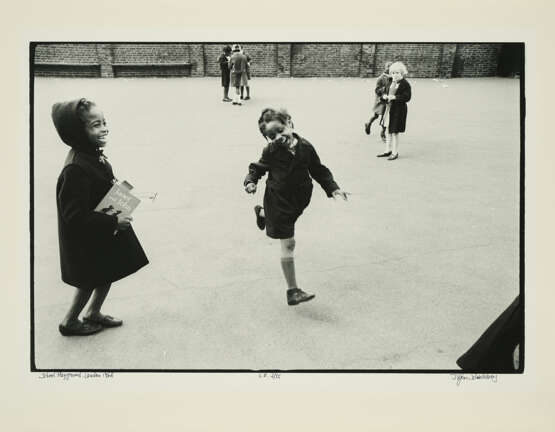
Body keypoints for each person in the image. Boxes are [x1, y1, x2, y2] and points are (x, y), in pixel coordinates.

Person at [52, 98, 149, 336]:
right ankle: (70, 321)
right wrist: (114, 221)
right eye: (96, 125)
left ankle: (93, 312)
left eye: (104, 122)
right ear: (77, 132)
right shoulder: (75, 168)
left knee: (107, 270)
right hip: (88, 237)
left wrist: (118, 194)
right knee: (90, 280)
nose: (104, 128)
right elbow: (73, 216)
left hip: (101, 231)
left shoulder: (91, 154)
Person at [244, 108, 348, 306]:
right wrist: (251, 181)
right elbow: (257, 168)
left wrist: (333, 188)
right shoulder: (271, 151)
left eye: (280, 130)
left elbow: (318, 170)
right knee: (289, 244)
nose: (278, 137)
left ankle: (263, 213)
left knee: (281, 222)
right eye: (271, 136)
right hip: (278, 199)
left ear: (290, 123)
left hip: (299, 198)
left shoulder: (306, 147)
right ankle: (293, 291)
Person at [377, 61, 412, 161]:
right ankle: (387, 150)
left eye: (397, 73)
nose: (394, 75)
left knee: (395, 132)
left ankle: (395, 152)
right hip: (389, 110)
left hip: (398, 111)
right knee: (388, 130)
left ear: (402, 73)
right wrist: (383, 96)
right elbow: (384, 92)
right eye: (393, 73)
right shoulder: (390, 81)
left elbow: (407, 97)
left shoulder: (405, 84)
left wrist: (395, 97)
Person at [365, 61, 392, 141]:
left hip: (388, 100)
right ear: (385, 68)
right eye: (388, 67)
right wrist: (384, 90)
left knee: (385, 117)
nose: (389, 69)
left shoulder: (393, 77)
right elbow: (377, 90)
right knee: (376, 115)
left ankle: (382, 133)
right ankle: (368, 123)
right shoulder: (381, 78)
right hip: (380, 100)